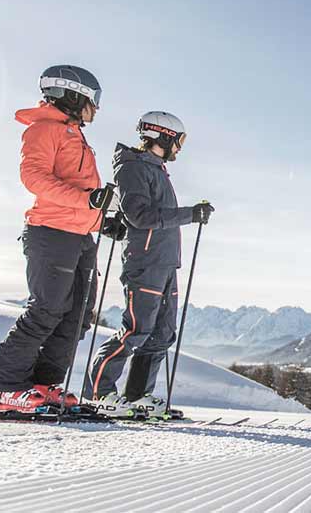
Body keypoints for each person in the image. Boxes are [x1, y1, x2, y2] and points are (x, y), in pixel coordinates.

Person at [0, 65, 114, 414]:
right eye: (92, 100)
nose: (96, 108)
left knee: (78, 316)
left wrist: (103, 221)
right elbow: (35, 178)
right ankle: (5, 387)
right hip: (51, 233)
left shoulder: (73, 134)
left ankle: (43, 384)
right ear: (71, 95)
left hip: (80, 236)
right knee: (47, 309)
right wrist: (89, 201)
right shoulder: (45, 130)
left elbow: (81, 194)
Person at [83, 111, 213, 417]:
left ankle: (137, 395)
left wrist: (190, 215)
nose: (180, 148)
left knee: (163, 332)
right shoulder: (133, 168)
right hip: (146, 262)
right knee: (136, 330)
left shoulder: (156, 169)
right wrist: (190, 214)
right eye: (179, 141)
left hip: (166, 262)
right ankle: (98, 394)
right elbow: (140, 216)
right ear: (163, 136)